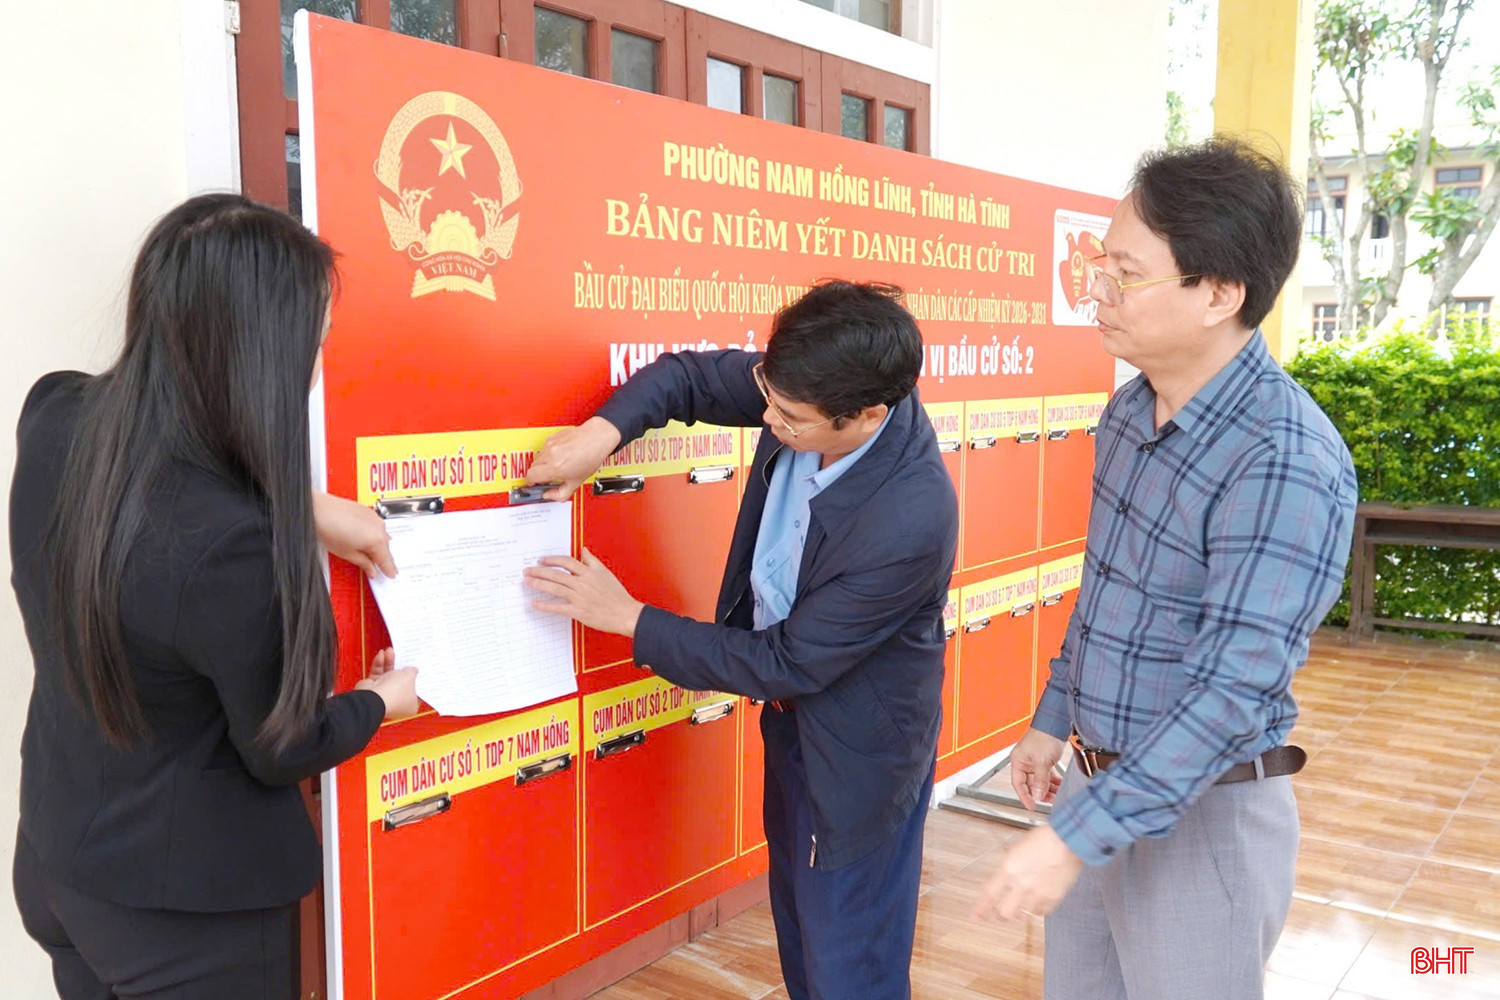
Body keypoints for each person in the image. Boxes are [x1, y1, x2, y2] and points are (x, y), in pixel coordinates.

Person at [972, 136, 1359, 1000]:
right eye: (1100, 267)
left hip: (1205, 816)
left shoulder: (1281, 458)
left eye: (1126, 274)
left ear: (1219, 293)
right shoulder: (1128, 412)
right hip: (1095, 785)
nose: (1097, 292)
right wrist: (1054, 717)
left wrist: (1072, 838)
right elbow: (1107, 588)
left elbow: (1233, 692)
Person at [9, 193, 418, 1000]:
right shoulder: (236, 552)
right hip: (183, 916)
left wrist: (300, 504)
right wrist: (380, 702)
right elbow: (284, 746)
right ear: (260, 356)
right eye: (315, 343)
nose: (316, 365)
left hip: (60, 865)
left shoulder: (53, 413)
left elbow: (156, 487)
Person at [521, 280, 958, 1000]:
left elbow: (787, 661)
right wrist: (601, 435)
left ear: (866, 417)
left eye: (789, 420)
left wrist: (629, 618)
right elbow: (686, 378)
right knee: (801, 936)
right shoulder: (806, 389)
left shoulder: (909, 516)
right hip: (793, 728)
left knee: (849, 962)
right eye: (767, 399)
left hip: (857, 754)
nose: (768, 421)